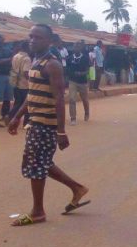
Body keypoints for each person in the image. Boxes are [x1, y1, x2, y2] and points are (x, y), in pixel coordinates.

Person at [7, 24, 90, 226]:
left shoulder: (52, 65)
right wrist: (17, 116)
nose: (32, 40)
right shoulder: (36, 61)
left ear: (50, 41)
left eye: (38, 37)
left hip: (45, 125)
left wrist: (61, 131)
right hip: (34, 122)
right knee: (38, 162)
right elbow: (32, 93)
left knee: (36, 164)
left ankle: (37, 212)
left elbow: (59, 99)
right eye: (31, 36)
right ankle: (77, 188)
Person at [66, 40, 90, 125]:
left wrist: (81, 73)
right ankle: (73, 118)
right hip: (72, 81)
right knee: (72, 99)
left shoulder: (85, 58)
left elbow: (88, 70)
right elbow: (67, 70)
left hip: (83, 82)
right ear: (73, 48)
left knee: (84, 99)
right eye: (75, 46)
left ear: (81, 48)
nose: (76, 48)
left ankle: (86, 113)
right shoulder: (69, 58)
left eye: (78, 46)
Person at [9, 41, 32, 121]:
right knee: (27, 103)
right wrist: (31, 81)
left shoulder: (15, 56)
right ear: (27, 48)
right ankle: (26, 122)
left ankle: (10, 117)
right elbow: (26, 72)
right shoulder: (27, 58)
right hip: (24, 84)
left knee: (17, 102)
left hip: (15, 82)